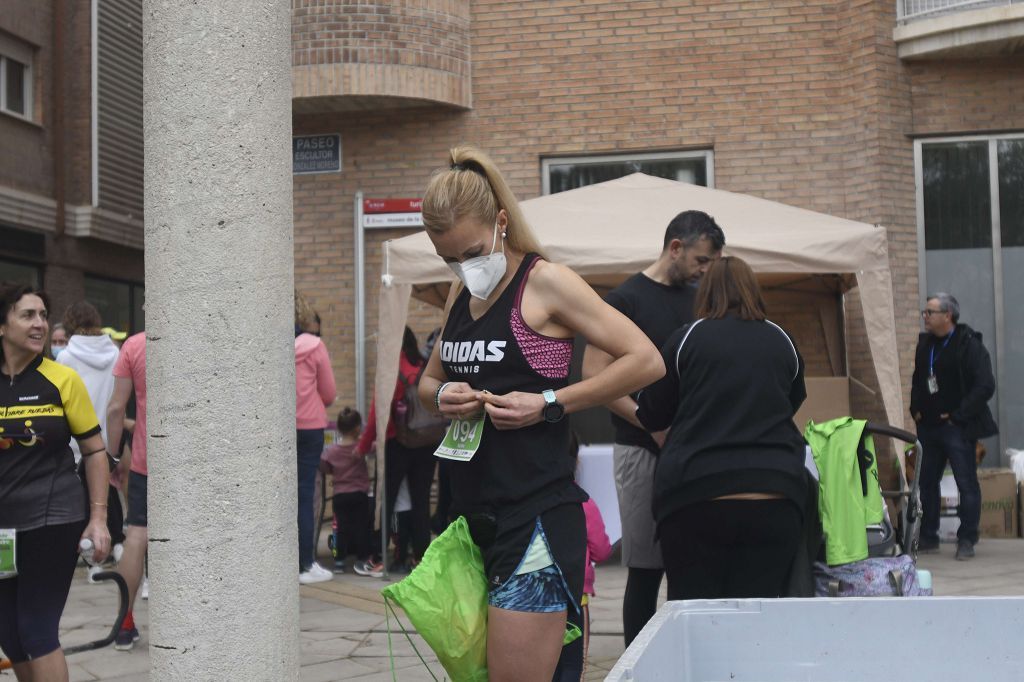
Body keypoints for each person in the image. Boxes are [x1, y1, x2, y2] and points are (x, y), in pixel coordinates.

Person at [416, 146, 664, 681]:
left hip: (535, 518)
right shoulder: (461, 291)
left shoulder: (545, 281)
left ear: (501, 222)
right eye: (448, 258)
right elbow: (427, 382)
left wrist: (550, 403)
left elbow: (646, 360)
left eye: (472, 251)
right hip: (471, 520)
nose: (462, 267)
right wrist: (442, 397)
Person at [582, 209, 724, 645]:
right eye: (701, 261)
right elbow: (594, 376)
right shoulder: (626, 299)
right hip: (640, 450)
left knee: (689, 563)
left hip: (691, 452)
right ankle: (637, 666)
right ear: (675, 248)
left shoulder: (699, 297)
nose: (705, 271)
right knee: (646, 568)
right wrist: (651, 425)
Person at [635, 257, 807, 600]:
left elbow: (651, 412)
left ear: (705, 291)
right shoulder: (781, 339)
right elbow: (791, 401)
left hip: (696, 495)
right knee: (760, 613)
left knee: (693, 612)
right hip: (776, 493)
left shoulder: (687, 339)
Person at [0, 282, 111, 681]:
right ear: (3, 324)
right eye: (27, 315)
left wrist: (98, 518)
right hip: (3, 531)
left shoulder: (63, 380)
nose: (40, 324)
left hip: (53, 518)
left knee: (36, 628)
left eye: (43, 315)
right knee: (10, 634)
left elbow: (96, 451)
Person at [910, 292, 997, 561]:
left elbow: (985, 385)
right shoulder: (925, 344)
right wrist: (915, 409)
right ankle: (928, 536)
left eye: (930, 312)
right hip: (929, 427)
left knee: (965, 483)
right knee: (927, 483)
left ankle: (967, 538)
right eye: (924, 312)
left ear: (947, 316)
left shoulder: (968, 344)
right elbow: (918, 379)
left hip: (957, 428)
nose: (925, 317)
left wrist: (959, 415)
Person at [356, 326, 437, 572]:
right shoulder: (424, 364)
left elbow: (376, 413)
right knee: (421, 501)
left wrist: (361, 447)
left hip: (397, 443)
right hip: (427, 440)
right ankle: (420, 557)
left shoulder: (392, 368)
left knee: (386, 500)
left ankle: (378, 556)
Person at [57, 301, 126, 568]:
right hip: (107, 437)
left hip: (77, 439)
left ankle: (88, 554)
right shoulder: (114, 353)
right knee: (106, 494)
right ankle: (114, 543)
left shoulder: (66, 357)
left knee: (82, 499)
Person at [106, 331, 149, 649]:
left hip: (147, 461)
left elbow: (115, 409)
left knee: (136, 535)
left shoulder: (135, 346)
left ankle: (125, 621)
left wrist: (112, 454)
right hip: (200, 463)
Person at [295, 292, 336, 584]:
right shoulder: (314, 345)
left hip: (281, 426)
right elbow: (330, 393)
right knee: (305, 493)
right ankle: (305, 563)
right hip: (309, 426)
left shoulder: (275, 345)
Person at [320, 407, 382, 577]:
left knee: (341, 528)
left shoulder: (332, 451)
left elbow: (324, 466)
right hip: (360, 494)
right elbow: (377, 447)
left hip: (340, 495)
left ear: (339, 428)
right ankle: (362, 558)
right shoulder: (361, 447)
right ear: (357, 428)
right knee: (362, 527)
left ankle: (339, 561)